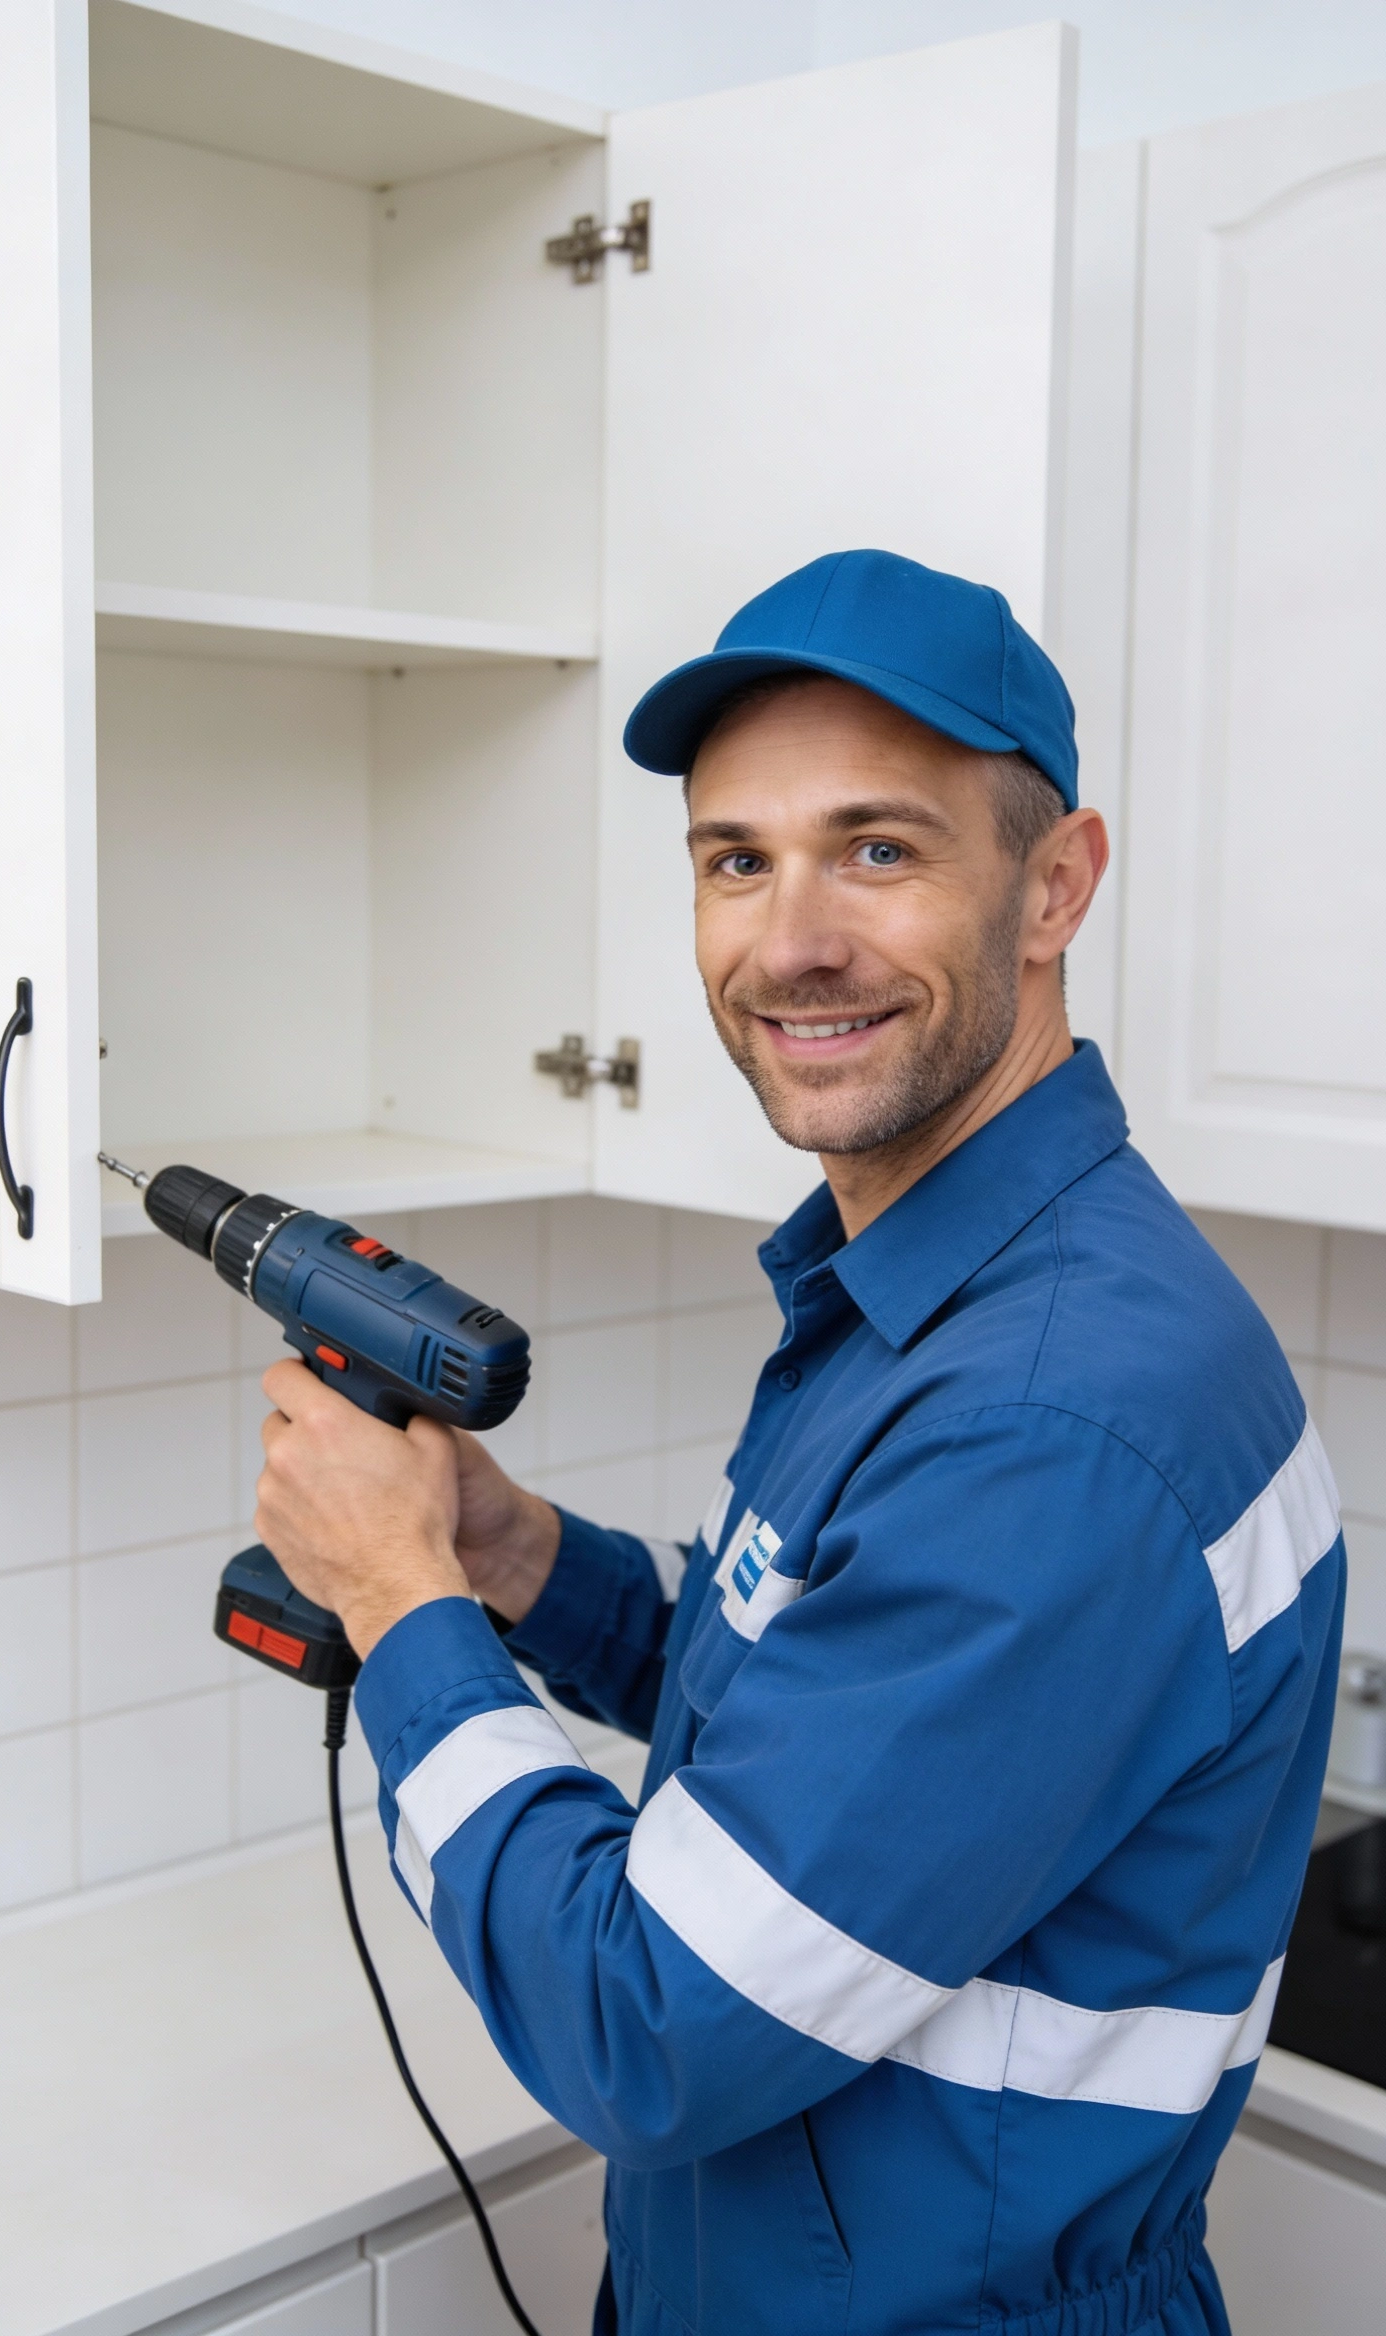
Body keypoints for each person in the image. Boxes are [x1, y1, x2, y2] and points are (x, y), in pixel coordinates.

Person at [253, 550, 1343, 2336]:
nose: (792, 941)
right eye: (735, 860)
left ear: (1055, 885)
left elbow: (646, 2024)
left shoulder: (1047, 1417)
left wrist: (399, 1605)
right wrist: (514, 1561)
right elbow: (810, 1727)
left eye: (881, 849)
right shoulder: (936, 1294)